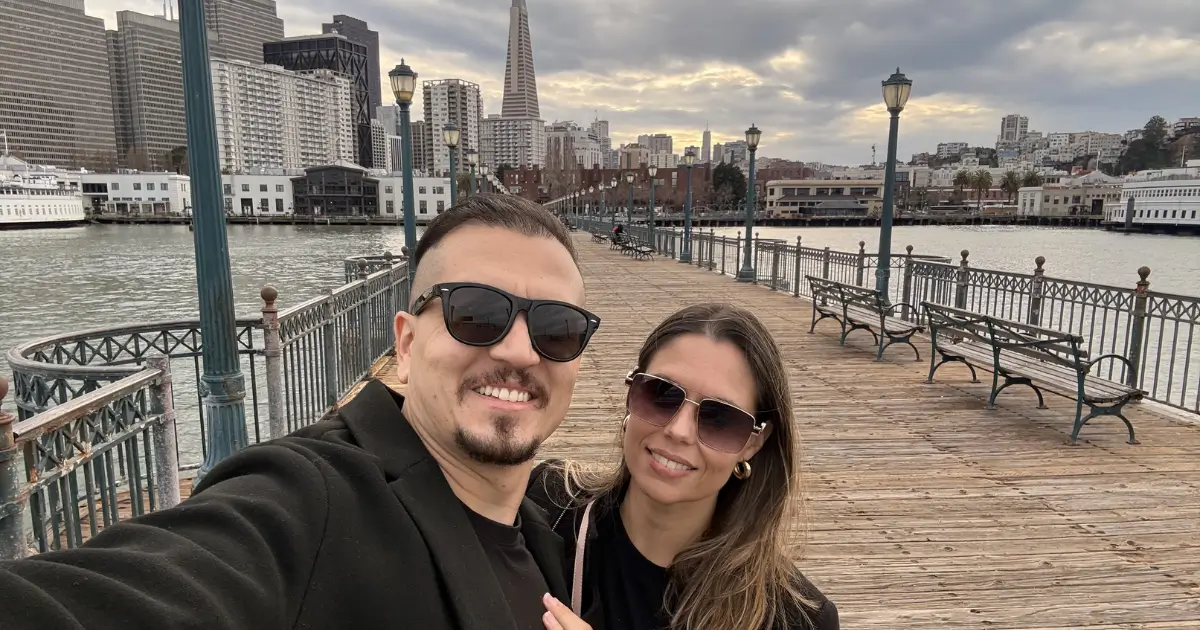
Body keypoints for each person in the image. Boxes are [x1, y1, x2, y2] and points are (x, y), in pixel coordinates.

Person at [0, 194, 602, 629]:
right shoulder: (311, 501)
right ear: (407, 344)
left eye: (557, 328)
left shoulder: (548, 540)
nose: (519, 351)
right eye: (475, 314)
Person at [529, 303, 839, 630]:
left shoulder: (797, 619)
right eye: (661, 394)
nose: (678, 431)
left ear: (753, 442)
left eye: (719, 417)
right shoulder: (548, 505)